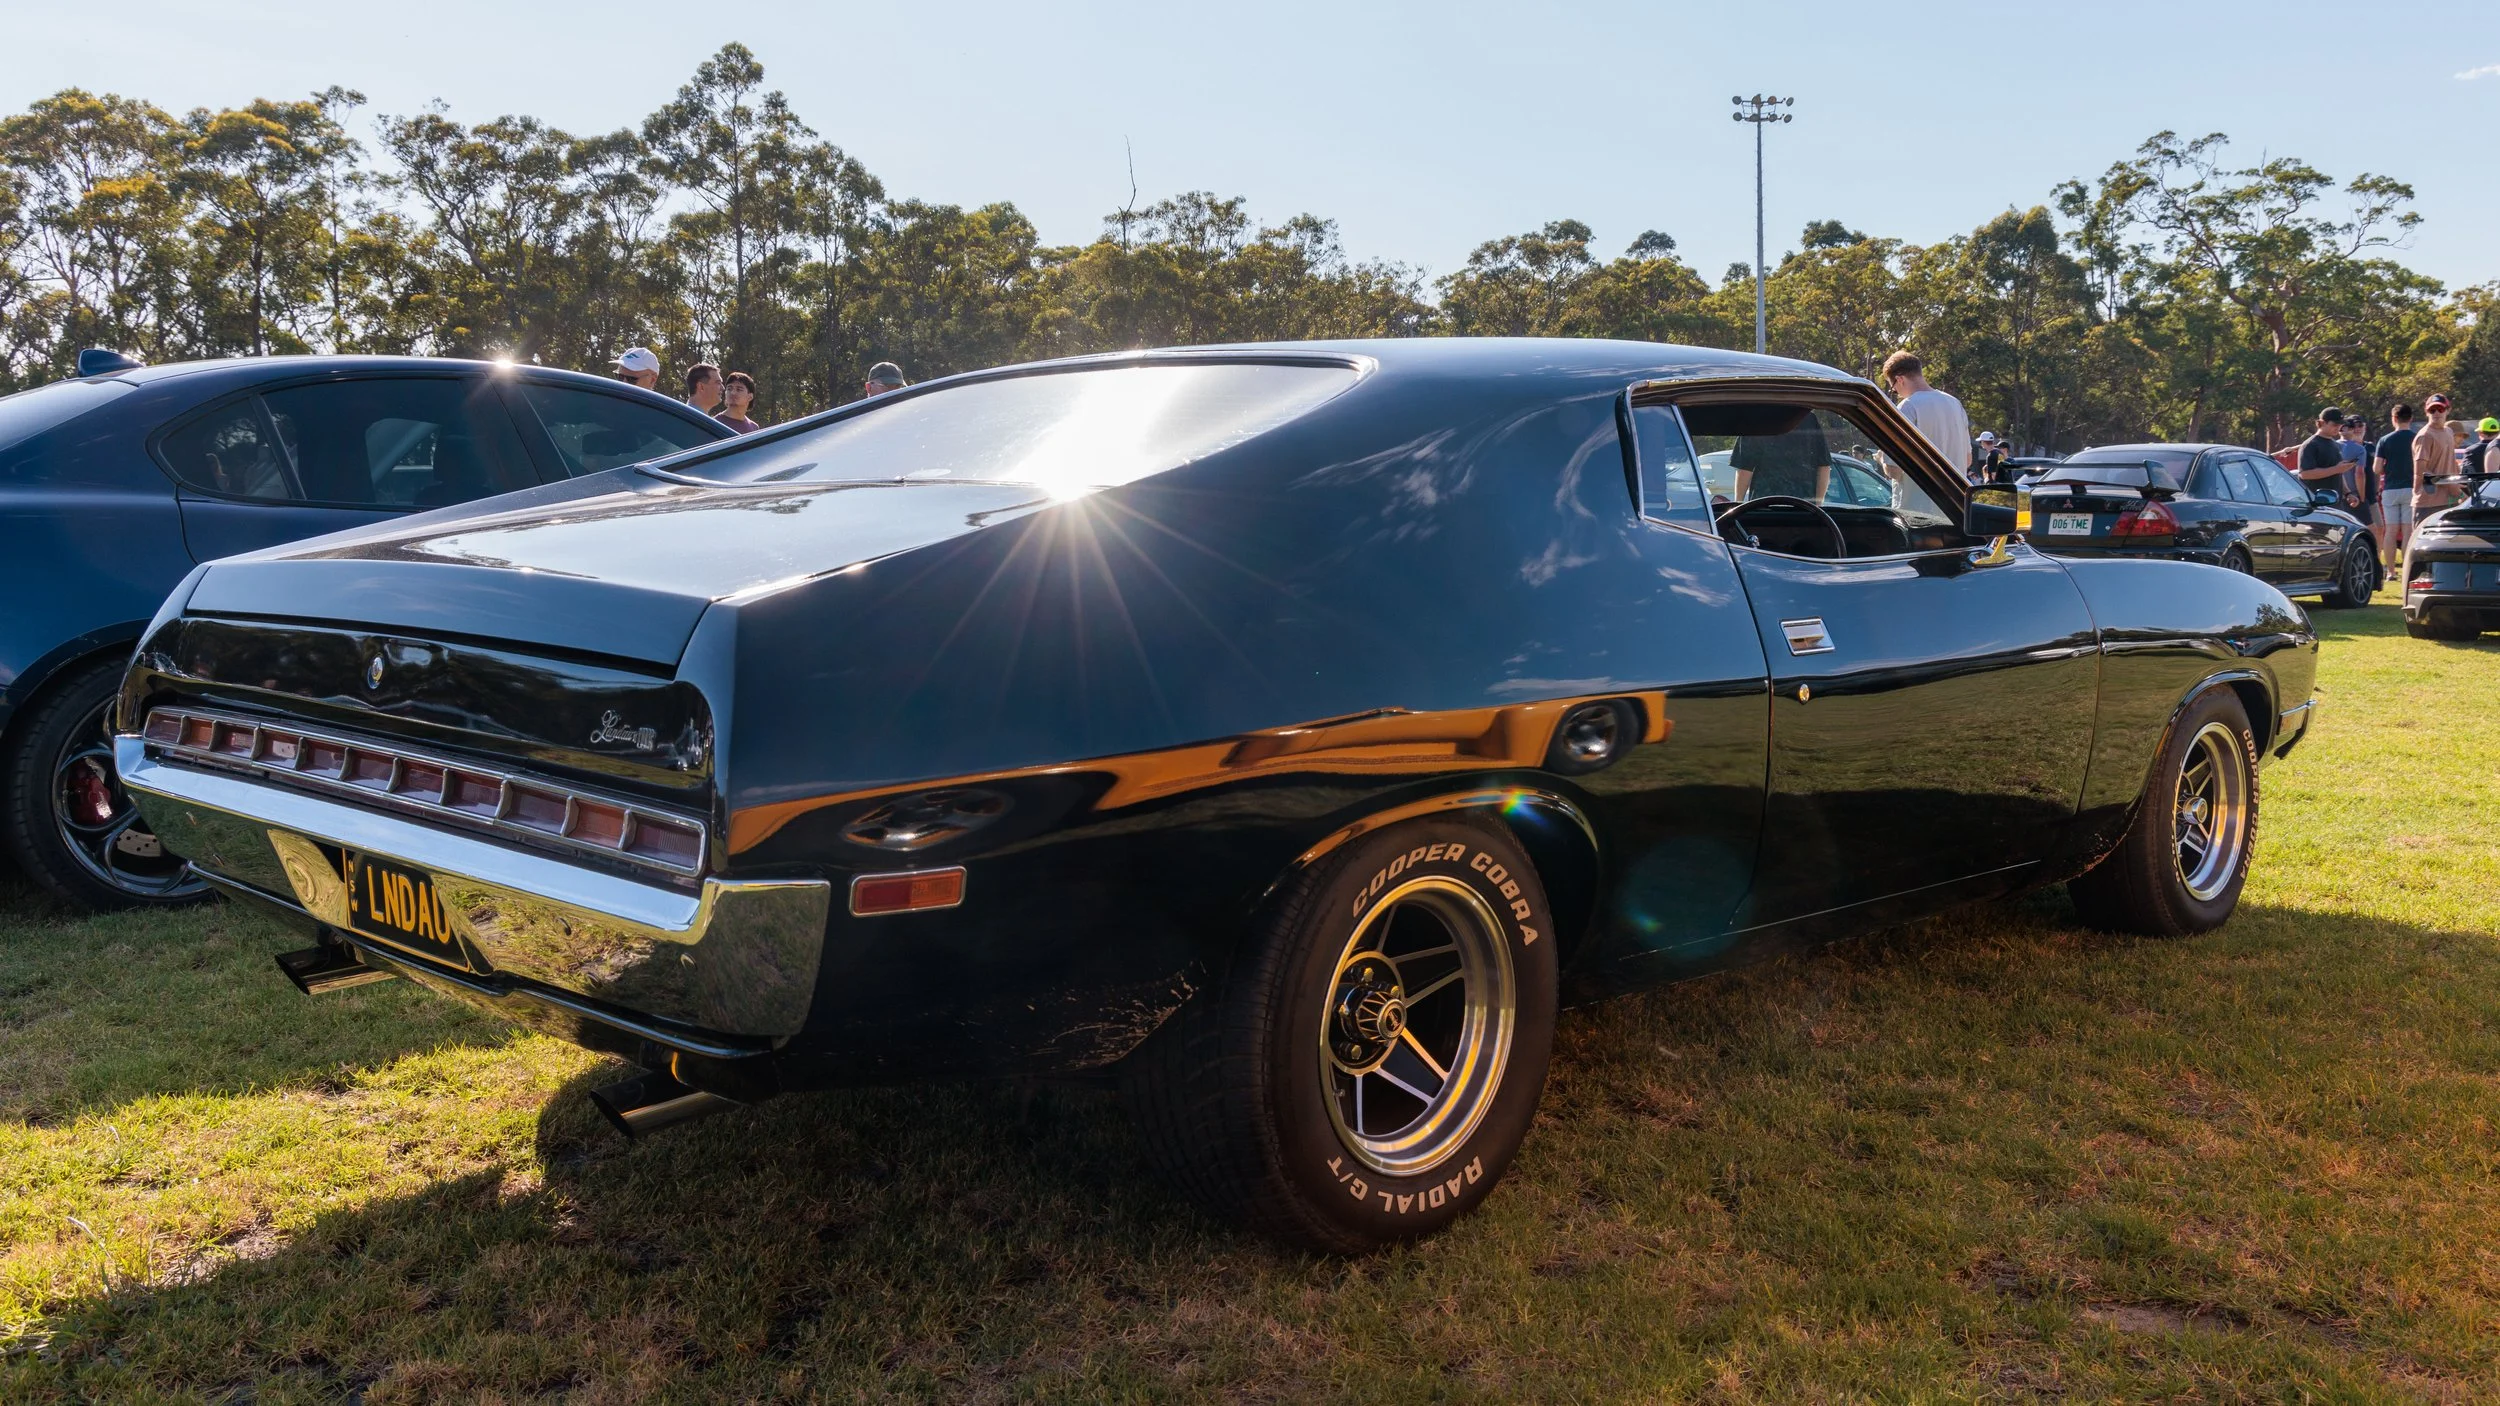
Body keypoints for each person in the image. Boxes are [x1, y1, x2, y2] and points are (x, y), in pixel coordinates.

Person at [1881, 350, 1972, 476]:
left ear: (1900, 379)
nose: (1898, 394)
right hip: (1955, 488)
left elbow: (1893, 471)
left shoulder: (1907, 407)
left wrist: (1881, 458)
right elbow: (1967, 460)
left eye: (1894, 389)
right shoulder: (1955, 403)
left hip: (1920, 489)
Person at [2376, 404, 2419, 573]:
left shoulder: (2385, 440)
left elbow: (2377, 468)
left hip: (2390, 489)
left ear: (2394, 418)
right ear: (2411, 418)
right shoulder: (2417, 438)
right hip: (2411, 488)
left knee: (2390, 532)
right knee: (2408, 531)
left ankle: (2391, 571)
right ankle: (2408, 570)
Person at [2414, 395, 2462, 513]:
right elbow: (2421, 471)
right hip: (2428, 503)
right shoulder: (2425, 435)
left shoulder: (2449, 431)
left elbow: (2450, 463)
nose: (2436, 413)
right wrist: (2450, 485)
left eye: (2440, 409)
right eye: (2432, 410)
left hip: (2450, 501)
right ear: (2426, 412)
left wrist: (2458, 484)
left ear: (2448, 410)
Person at [2293, 407, 2350, 503]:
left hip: (2335, 502)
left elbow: (2338, 471)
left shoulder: (2334, 444)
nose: (2338, 427)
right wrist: (2336, 469)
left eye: (2340, 424)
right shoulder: (2311, 445)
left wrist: (2348, 493)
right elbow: (2305, 474)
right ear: (2322, 423)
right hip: (2317, 503)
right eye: (2335, 424)